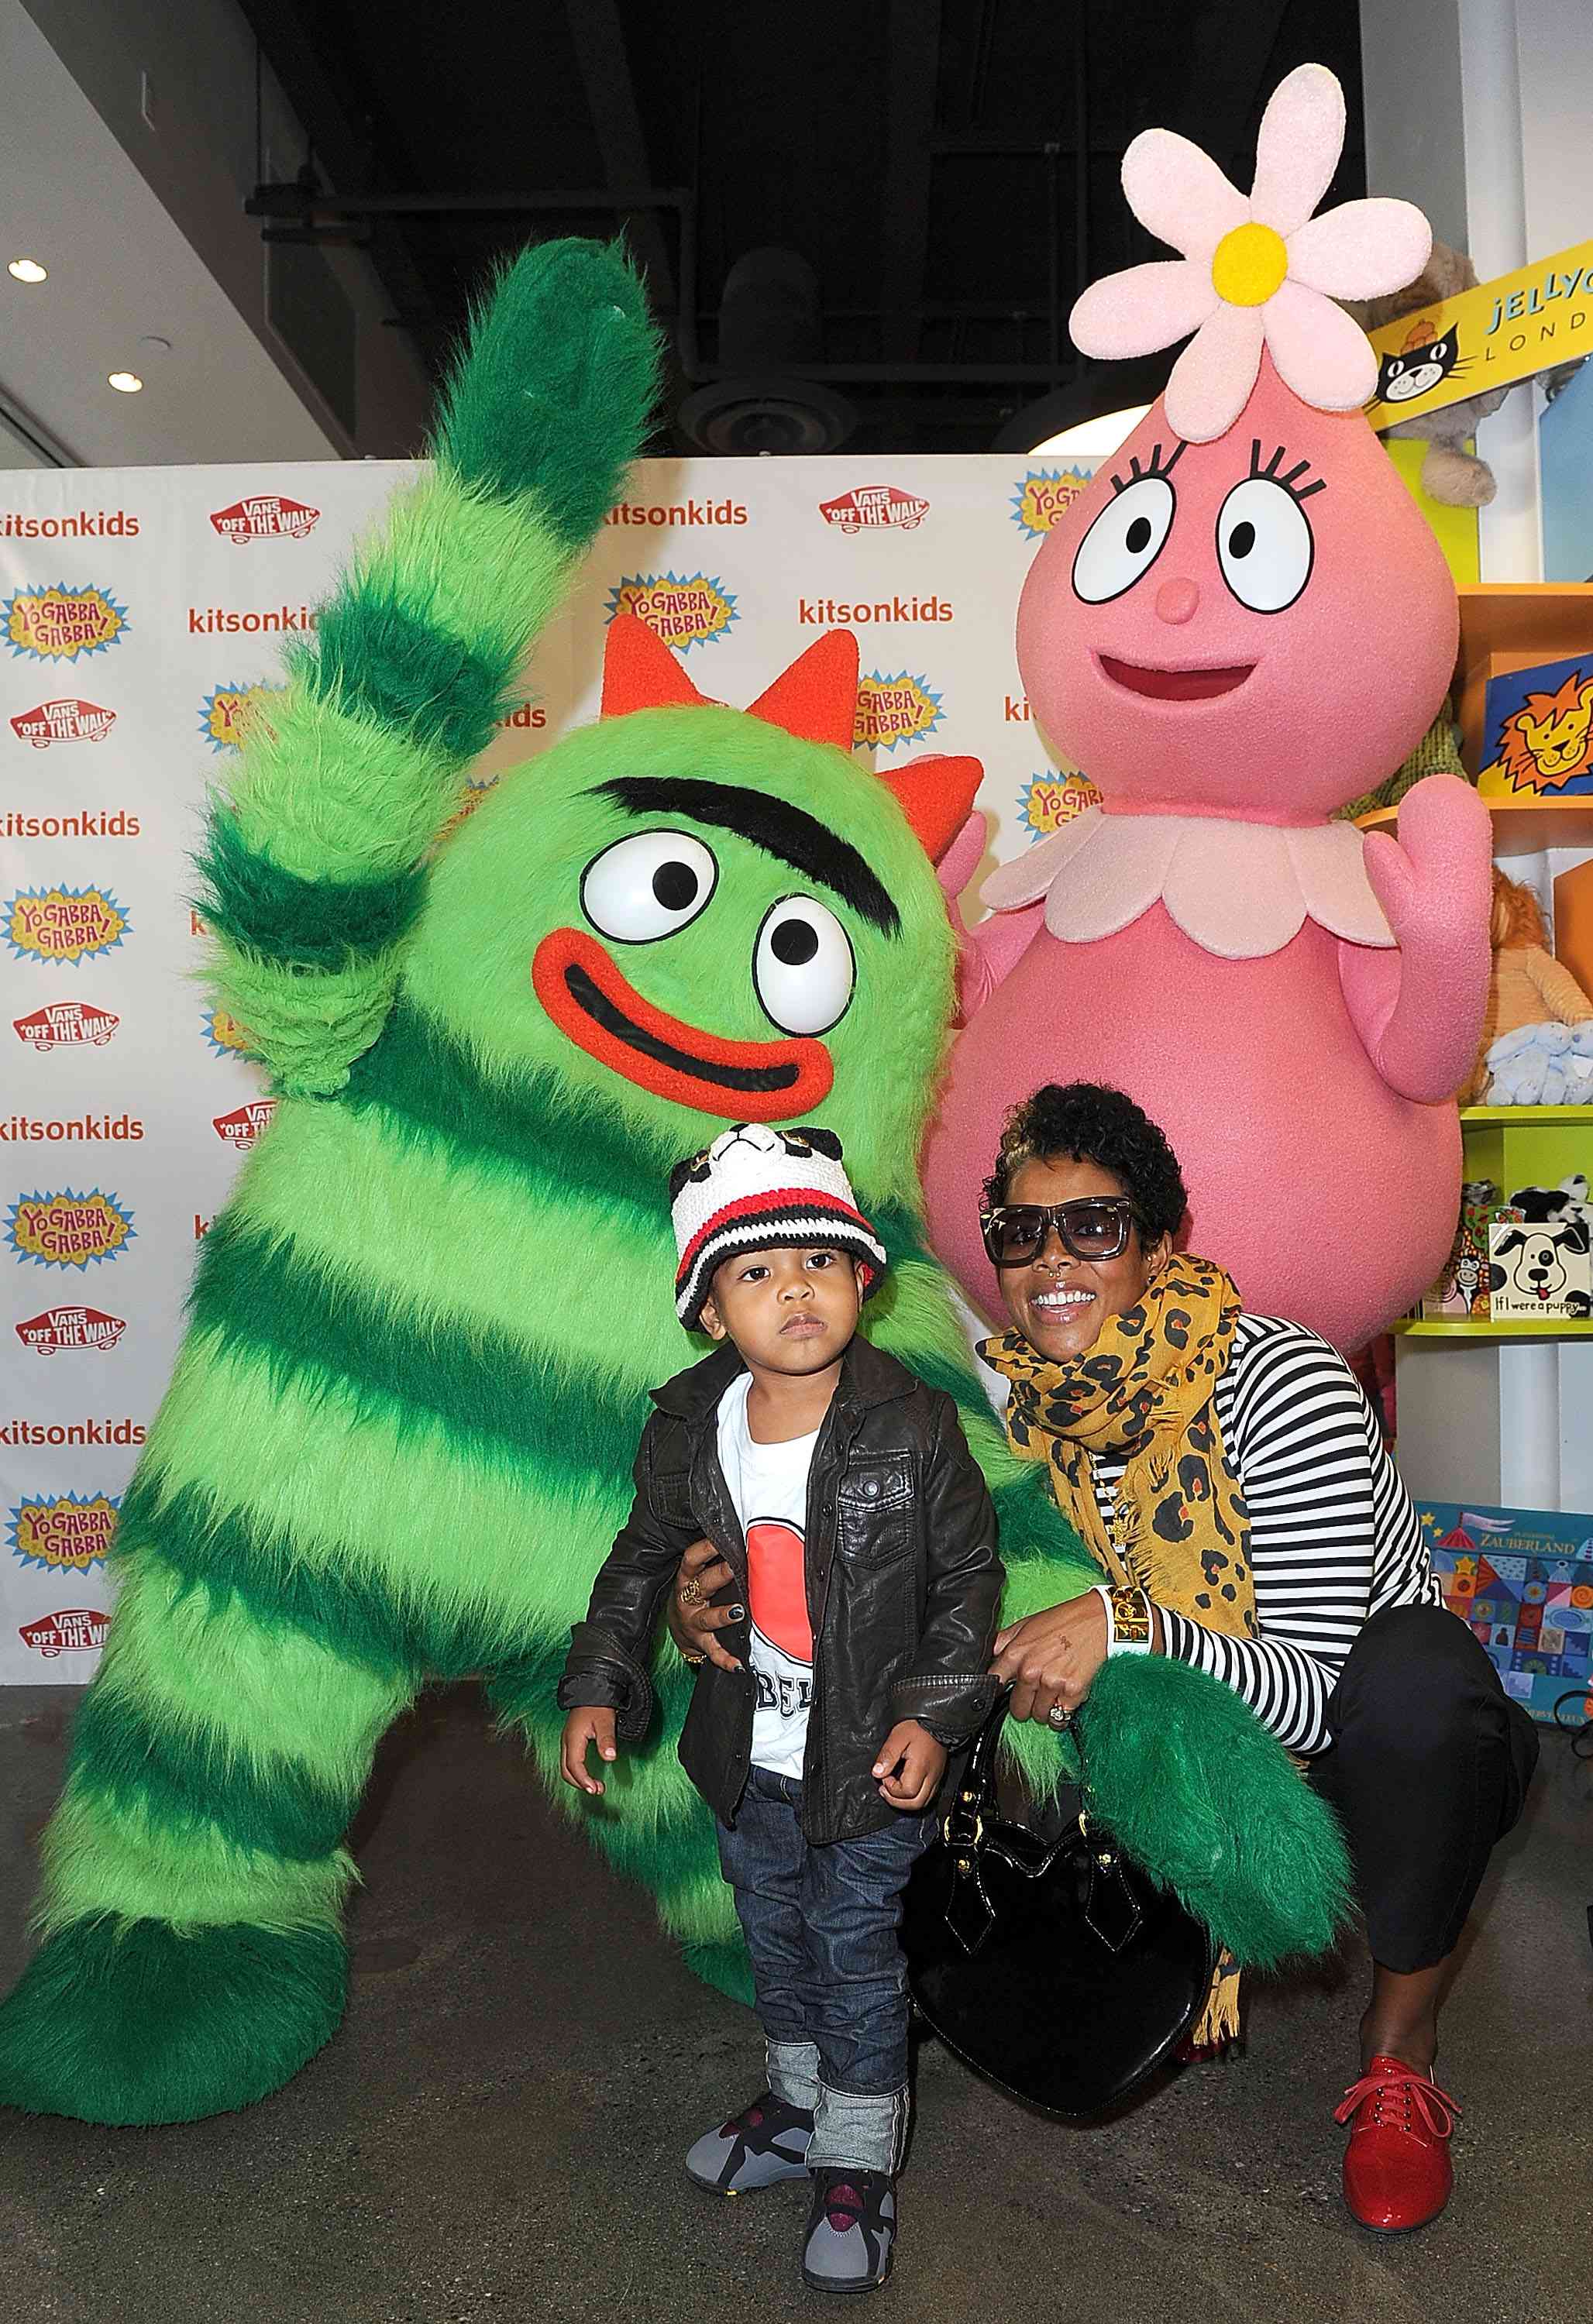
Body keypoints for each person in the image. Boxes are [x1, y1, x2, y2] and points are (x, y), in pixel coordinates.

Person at [558, 1121, 1002, 2296]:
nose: (792, 1291)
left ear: (864, 1277)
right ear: (709, 1311)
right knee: (773, 1927)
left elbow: (967, 1584)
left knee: (856, 1948)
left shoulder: (914, 1424)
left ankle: (859, 2154)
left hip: (869, 1757)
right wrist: (602, 1680)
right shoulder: (687, 1424)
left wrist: (933, 1715)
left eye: (818, 1261)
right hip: (746, 1751)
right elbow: (639, 1562)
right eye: (754, 1273)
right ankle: (799, 2100)